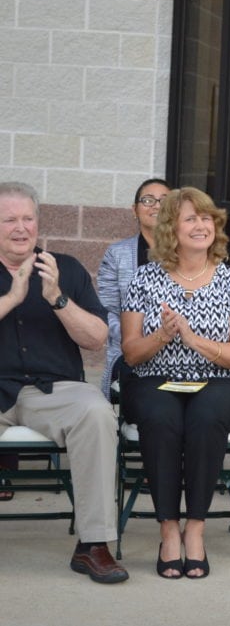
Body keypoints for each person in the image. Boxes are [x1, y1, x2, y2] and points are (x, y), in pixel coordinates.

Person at [120, 187, 230, 579]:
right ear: (171, 229)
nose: (201, 225)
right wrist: (163, 335)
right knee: (162, 419)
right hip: (153, 378)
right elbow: (131, 353)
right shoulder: (145, 280)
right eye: (190, 218)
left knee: (205, 417)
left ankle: (195, 527)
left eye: (206, 217)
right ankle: (168, 530)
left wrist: (193, 340)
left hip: (221, 382)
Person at [0, 181, 128, 583]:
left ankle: (94, 545)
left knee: (96, 412)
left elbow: (97, 338)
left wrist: (56, 297)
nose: (21, 228)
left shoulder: (65, 268)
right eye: (9, 219)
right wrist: (13, 298)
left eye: (28, 218)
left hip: (52, 390)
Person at [97, 178, 172, 399]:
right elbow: (106, 311)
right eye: (148, 200)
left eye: (164, 201)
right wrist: (137, 338)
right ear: (135, 210)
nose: (156, 206)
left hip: (180, 350)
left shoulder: (189, 252)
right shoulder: (117, 254)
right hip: (131, 351)